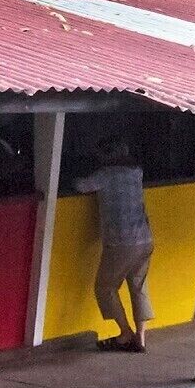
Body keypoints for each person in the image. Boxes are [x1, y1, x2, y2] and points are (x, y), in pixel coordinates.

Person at [74, 136, 154, 352]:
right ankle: (141, 338)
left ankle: (125, 334)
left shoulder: (104, 175)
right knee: (138, 286)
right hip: (145, 238)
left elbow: (81, 186)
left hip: (121, 242)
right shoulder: (136, 172)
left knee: (105, 287)